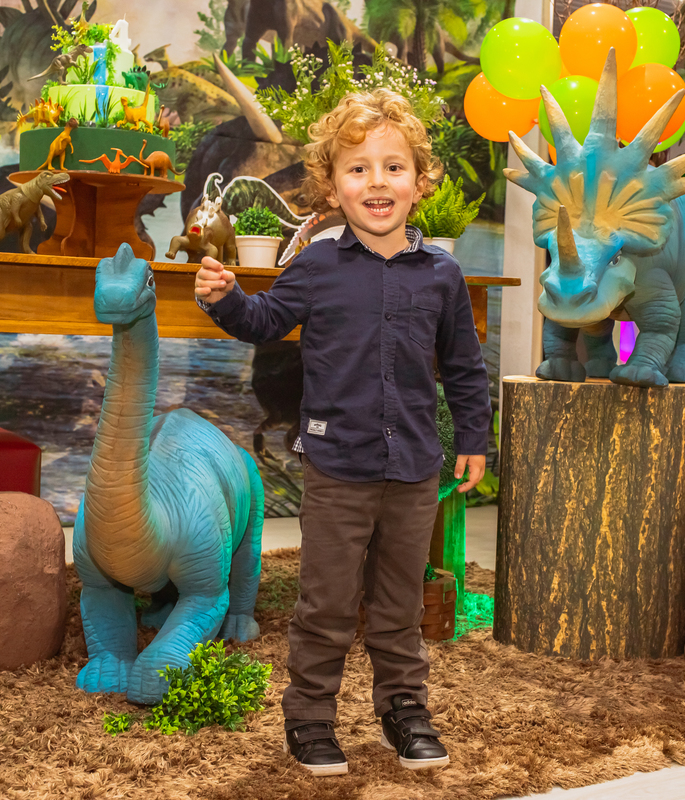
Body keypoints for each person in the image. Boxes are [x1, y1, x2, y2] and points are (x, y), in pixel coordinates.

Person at [194, 88, 491, 777]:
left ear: (420, 181)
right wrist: (226, 299)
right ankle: (309, 719)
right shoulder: (317, 265)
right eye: (358, 169)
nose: (377, 182)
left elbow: (464, 367)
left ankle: (404, 711)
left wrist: (474, 440)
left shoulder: (443, 275)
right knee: (325, 604)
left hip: (413, 470)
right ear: (331, 187)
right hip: (337, 469)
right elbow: (264, 321)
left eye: (393, 167)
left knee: (399, 605)